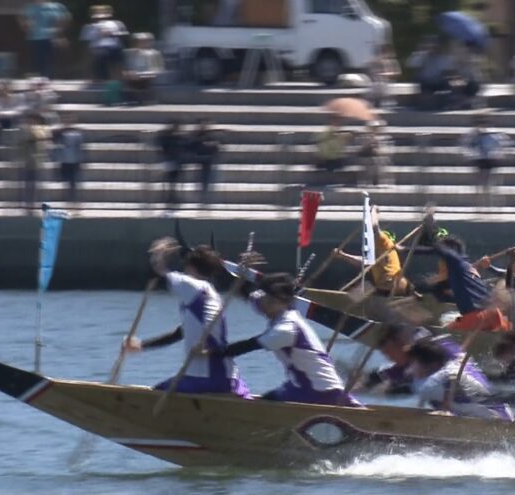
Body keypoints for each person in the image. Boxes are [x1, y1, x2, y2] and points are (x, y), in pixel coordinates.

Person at [210, 273, 362, 407]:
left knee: (261, 408)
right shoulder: (278, 311)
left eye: (264, 299)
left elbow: (250, 345)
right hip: (298, 387)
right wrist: (234, 274)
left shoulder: (287, 327)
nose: (259, 303)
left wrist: (214, 353)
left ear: (277, 301)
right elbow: (248, 295)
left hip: (319, 390)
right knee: (265, 401)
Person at [123, 238, 251, 398]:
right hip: (228, 378)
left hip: (205, 378)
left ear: (190, 267)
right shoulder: (209, 296)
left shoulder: (193, 287)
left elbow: (158, 271)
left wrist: (158, 253)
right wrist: (140, 345)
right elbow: (179, 334)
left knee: (155, 395)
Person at [414, 214, 507, 334]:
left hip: (479, 317)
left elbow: (441, 276)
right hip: (491, 316)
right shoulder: (466, 268)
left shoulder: (457, 266)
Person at [408, 339, 514, 420]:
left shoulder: (436, 381)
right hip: (506, 415)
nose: (411, 368)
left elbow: (450, 379)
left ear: (432, 364)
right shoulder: (457, 359)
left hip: (494, 421)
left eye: (414, 363)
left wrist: (445, 410)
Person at [332, 204, 409, 296]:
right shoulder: (378, 252)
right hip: (385, 285)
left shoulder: (384, 242)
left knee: (363, 290)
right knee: (360, 289)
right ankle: (346, 301)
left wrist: (373, 211)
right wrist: (342, 255)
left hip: (390, 284)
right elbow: (365, 262)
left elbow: (374, 227)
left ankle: (348, 301)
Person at [460, 114, 514, 206]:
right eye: (479, 123)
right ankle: (480, 205)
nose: (481, 125)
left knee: (491, 183)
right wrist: (469, 155)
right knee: (479, 184)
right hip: (479, 160)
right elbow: (465, 145)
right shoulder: (473, 134)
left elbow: (505, 143)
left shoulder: (493, 133)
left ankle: (493, 203)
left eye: (483, 122)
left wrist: (501, 153)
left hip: (491, 160)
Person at [20, 0, 71, 78]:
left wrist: (60, 32)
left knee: (49, 61)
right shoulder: (31, 7)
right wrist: (27, 28)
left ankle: (46, 80)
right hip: (35, 38)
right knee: (37, 61)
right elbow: (22, 19)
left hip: (51, 38)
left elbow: (65, 18)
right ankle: (38, 80)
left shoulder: (56, 7)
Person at [80, 4, 128, 83]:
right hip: (98, 48)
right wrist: (99, 34)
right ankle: (101, 79)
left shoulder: (117, 23)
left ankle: (118, 79)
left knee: (118, 54)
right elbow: (86, 40)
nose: (101, 17)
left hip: (115, 47)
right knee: (100, 55)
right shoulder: (89, 27)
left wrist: (112, 34)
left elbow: (124, 34)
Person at [17, 112, 51, 212]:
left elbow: (43, 141)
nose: (32, 122)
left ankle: (35, 204)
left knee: (36, 185)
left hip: (37, 162)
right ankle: (27, 205)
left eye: (34, 120)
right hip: (26, 162)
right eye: (30, 120)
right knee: (27, 184)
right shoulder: (23, 130)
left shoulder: (42, 130)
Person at [51, 113, 84, 204]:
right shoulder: (60, 132)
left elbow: (80, 147)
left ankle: (73, 201)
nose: (68, 122)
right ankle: (69, 199)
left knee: (73, 182)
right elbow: (54, 141)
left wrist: (81, 159)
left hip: (74, 160)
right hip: (64, 160)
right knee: (66, 180)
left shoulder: (77, 133)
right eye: (66, 120)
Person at [122, 33, 164, 105]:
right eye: (139, 41)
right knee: (128, 75)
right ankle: (132, 99)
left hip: (149, 73)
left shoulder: (154, 53)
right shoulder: (130, 53)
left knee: (141, 77)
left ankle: (144, 99)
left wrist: (141, 74)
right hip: (134, 74)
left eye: (144, 41)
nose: (141, 43)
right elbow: (127, 67)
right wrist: (128, 73)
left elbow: (158, 68)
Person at [186, 118, 221, 203]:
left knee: (207, 179)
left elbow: (216, 147)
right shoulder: (195, 135)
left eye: (205, 125)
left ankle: (205, 197)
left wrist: (211, 146)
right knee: (199, 179)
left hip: (208, 159)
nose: (203, 126)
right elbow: (190, 146)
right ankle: (201, 197)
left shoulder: (211, 135)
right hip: (198, 158)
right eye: (202, 125)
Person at [354, 120, 393, 187]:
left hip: (380, 157)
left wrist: (379, 149)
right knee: (373, 162)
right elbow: (361, 150)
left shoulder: (384, 138)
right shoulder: (364, 137)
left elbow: (388, 150)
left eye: (376, 128)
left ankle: (378, 180)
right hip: (367, 157)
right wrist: (369, 144)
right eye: (373, 128)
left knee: (379, 161)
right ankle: (370, 181)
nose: (374, 130)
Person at [157, 119, 185, 208]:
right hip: (169, 161)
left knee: (174, 182)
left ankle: (173, 198)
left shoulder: (180, 137)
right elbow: (162, 146)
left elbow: (184, 146)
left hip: (177, 161)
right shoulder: (167, 136)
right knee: (169, 181)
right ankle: (169, 198)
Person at [367, 44, 400, 108]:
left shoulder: (392, 62)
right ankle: (377, 101)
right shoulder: (375, 62)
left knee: (381, 84)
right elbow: (372, 72)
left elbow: (397, 72)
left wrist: (387, 73)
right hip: (378, 81)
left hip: (388, 81)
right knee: (377, 84)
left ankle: (382, 101)